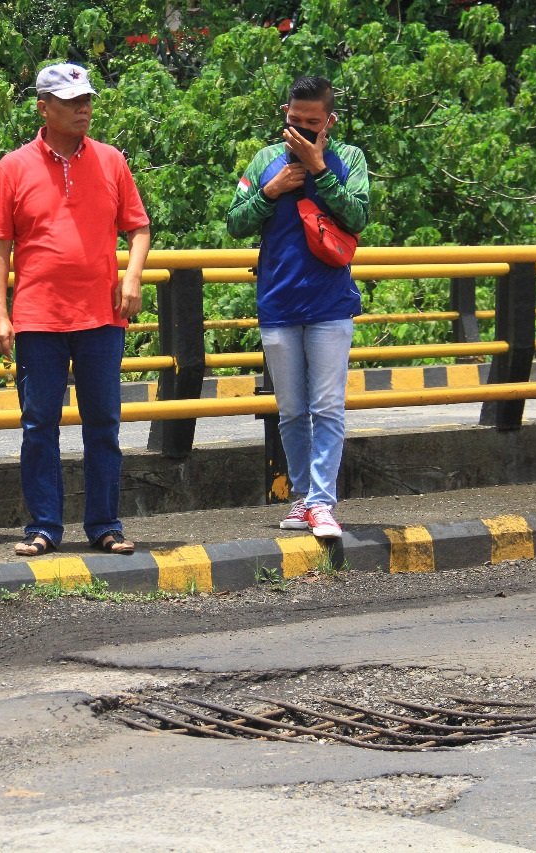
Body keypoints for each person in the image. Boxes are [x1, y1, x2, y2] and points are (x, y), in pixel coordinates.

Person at [0, 62, 151, 557]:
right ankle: (44, 527)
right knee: (39, 426)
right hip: (37, 317)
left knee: (104, 423)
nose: (84, 109)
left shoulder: (111, 160)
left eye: (87, 100)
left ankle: (104, 525)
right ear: (43, 107)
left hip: (101, 314)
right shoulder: (13, 167)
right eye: (72, 101)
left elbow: (138, 227)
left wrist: (132, 277)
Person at [226, 75, 370, 539]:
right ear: (284, 116)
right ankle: (302, 497)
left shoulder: (348, 158)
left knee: (327, 406)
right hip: (278, 303)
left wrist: (320, 171)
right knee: (290, 410)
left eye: (312, 123)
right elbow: (234, 223)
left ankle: (323, 503)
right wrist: (270, 192)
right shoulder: (266, 161)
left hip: (330, 304)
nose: (302, 131)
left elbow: (359, 216)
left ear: (329, 121)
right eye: (294, 121)